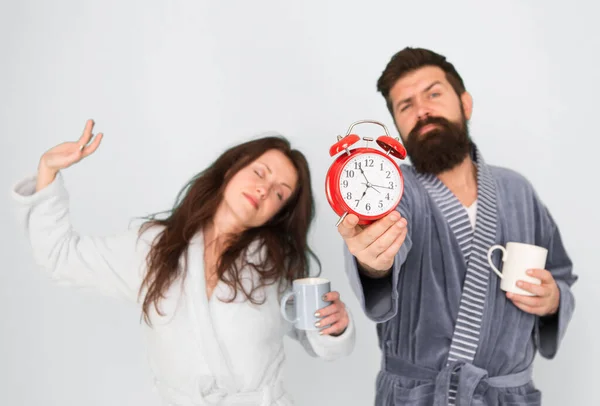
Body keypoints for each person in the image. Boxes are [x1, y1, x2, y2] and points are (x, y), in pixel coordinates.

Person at [11, 119, 355, 405]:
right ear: (231, 169)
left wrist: (335, 326)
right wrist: (48, 172)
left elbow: (319, 342)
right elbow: (61, 258)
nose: (265, 189)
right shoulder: (153, 248)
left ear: (277, 213)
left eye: (280, 193)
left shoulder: (276, 265)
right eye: (260, 172)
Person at [339, 47, 577, 405]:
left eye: (433, 94)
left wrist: (554, 299)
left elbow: (559, 273)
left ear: (465, 104)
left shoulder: (517, 190)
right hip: (417, 397)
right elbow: (380, 251)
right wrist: (373, 261)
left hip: (507, 396)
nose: (422, 110)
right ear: (398, 126)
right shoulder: (391, 190)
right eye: (406, 106)